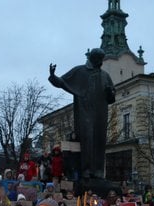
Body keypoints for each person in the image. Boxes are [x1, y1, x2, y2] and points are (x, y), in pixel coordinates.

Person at [49, 48, 116, 179]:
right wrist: (52, 76)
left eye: (101, 59)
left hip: (101, 113)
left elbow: (112, 98)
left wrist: (110, 92)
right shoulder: (80, 71)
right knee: (87, 139)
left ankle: (98, 171)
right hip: (85, 113)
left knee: (100, 141)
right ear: (92, 58)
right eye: (98, 59)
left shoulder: (105, 76)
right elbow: (63, 81)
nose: (100, 62)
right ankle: (86, 170)